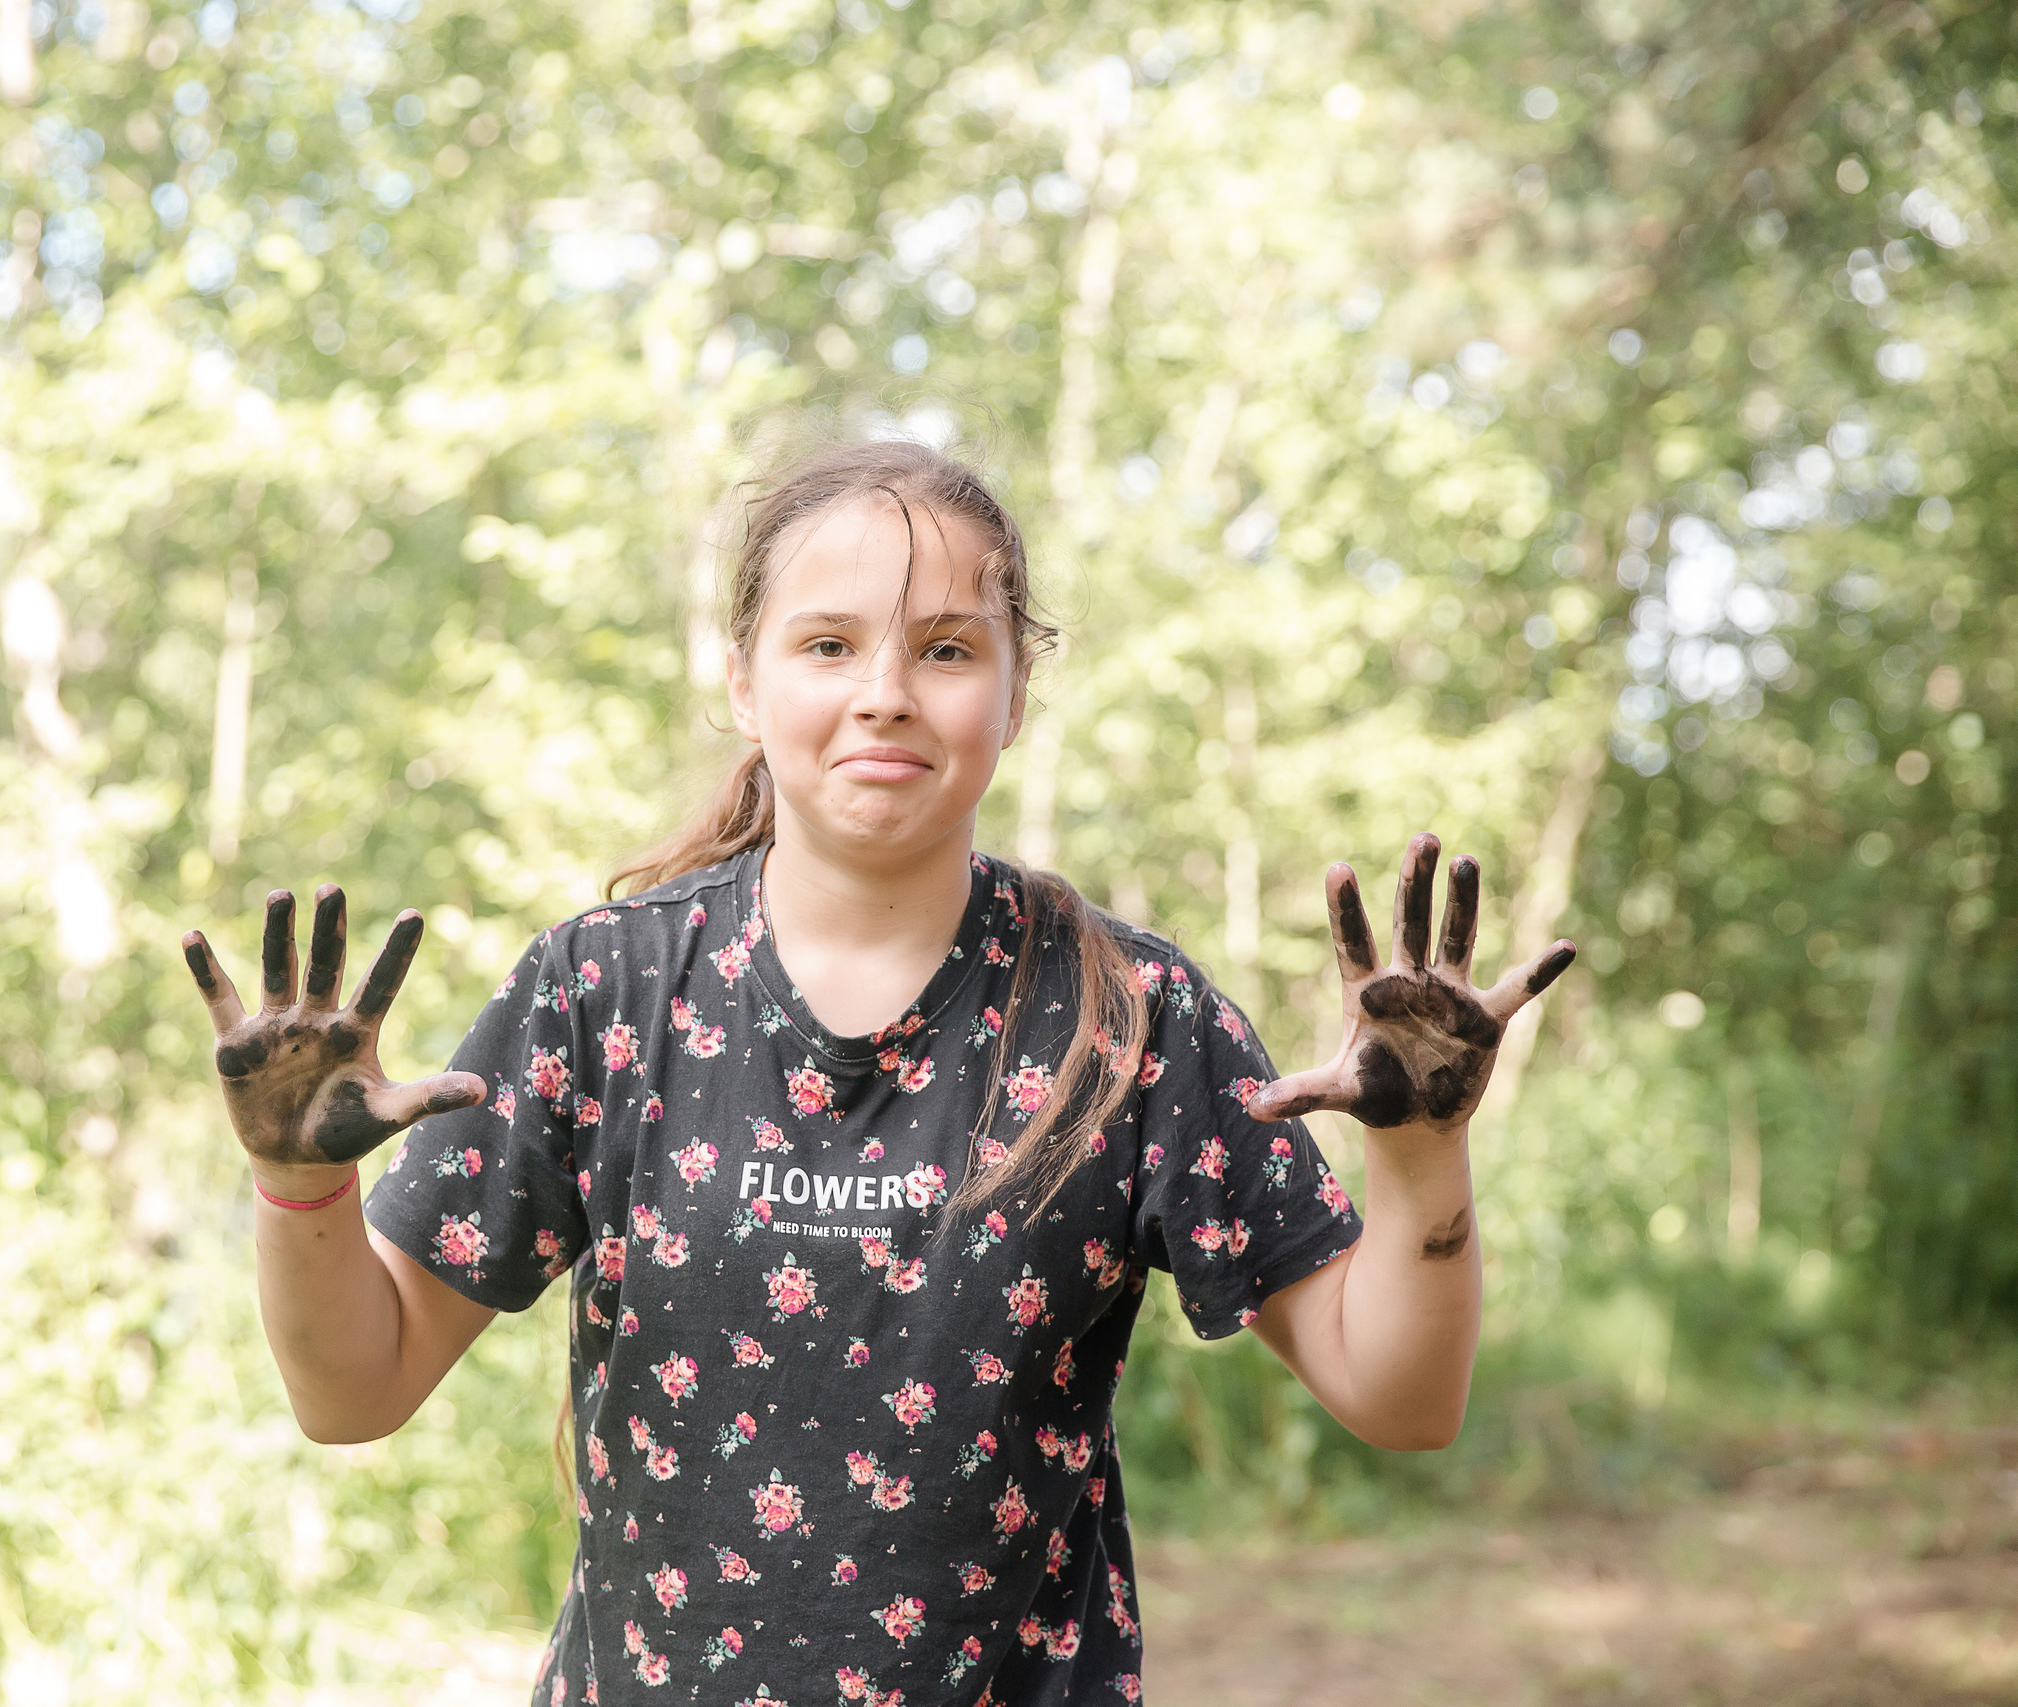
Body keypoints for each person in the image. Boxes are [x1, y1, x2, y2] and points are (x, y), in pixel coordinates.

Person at [179, 437, 1576, 1704]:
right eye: (829, 644)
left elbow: (1403, 1399)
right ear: (746, 680)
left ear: (1015, 694)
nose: (885, 697)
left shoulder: (1131, 1020)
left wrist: (1421, 1150)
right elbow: (351, 1392)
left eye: (948, 650)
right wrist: (296, 1182)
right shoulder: (602, 995)